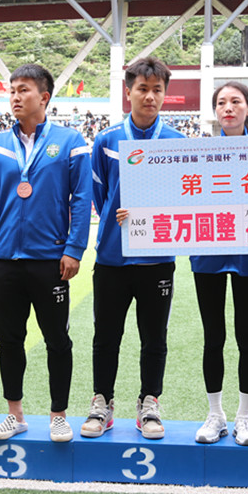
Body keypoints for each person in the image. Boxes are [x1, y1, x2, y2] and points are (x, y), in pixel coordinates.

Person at [0, 63, 92, 442]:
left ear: (44, 97)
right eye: (12, 90)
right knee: (8, 340)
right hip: (5, 260)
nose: (15, 97)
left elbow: (81, 199)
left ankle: (58, 415)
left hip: (50, 260)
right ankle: (15, 415)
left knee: (57, 340)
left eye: (23, 90)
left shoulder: (71, 142)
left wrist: (74, 248)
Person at [80, 57, 185, 440]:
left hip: (158, 259)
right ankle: (102, 404)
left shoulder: (177, 143)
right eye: (143, 88)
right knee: (106, 336)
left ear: (165, 94)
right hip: (113, 257)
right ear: (129, 92)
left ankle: (149, 403)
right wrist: (120, 216)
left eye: (157, 90)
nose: (150, 96)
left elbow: (184, 198)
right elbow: (101, 196)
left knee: (154, 337)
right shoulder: (107, 141)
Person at [191, 82, 248, 446]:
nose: (228, 107)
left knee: (246, 334)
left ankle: (244, 418)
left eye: (236, 101)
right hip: (208, 250)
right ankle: (215, 415)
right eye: (221, 102)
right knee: (214, 336)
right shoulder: (199, 153)